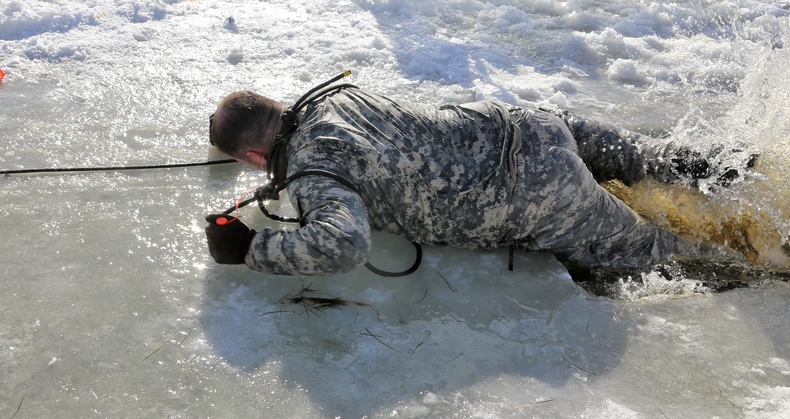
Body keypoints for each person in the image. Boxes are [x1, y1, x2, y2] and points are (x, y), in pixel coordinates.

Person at [204, 77, 747, 283]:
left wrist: (250, 247)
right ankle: (749, 168)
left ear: (254, 155)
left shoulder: (313, 172)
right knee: (667, 164)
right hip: (532, 124)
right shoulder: (336, 98)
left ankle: (780, 257)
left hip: (538, 194)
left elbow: (344, 242)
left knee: (665, 254)